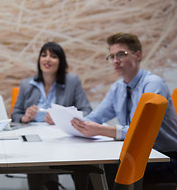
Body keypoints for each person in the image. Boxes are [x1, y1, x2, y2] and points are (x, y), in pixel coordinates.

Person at [71, 32, 177, 189]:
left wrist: (101, 130)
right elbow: (96, 116)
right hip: (136, 154)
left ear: (138, 55)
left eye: (121, 54)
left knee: (106, 166)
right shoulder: (118, 88)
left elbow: (141, 133)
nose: (115, 61)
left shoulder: (153, 85)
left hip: (165, 157)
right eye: (111, 56)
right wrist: (74, 121)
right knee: (84, 164)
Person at [11, 41, 92, 190]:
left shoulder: (72, 82)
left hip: (63, 138)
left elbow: (87, 111)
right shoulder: (26, 84)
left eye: (53, 56)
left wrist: (62, 118)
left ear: (60, 62)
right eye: (43, 55)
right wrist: (24, 118)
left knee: (83, 165)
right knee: (35, 162)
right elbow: (15, 114)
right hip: (34, 139)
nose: (47, 59)